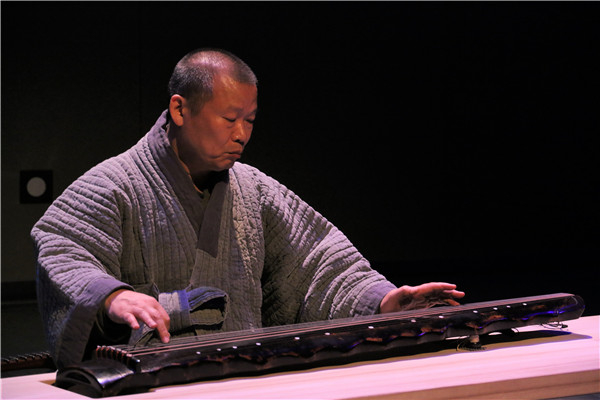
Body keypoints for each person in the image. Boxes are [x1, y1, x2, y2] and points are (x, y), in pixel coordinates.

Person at [32, 48, 464, 369]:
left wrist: (382, 301)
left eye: (250, 120)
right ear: (180, 109)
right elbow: (63, 249)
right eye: (229, 118)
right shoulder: (112, 185)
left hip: (244, 378)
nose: (241, 134)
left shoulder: (254, 190)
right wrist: (112, 295)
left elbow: (318, 264)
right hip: (147, 383)